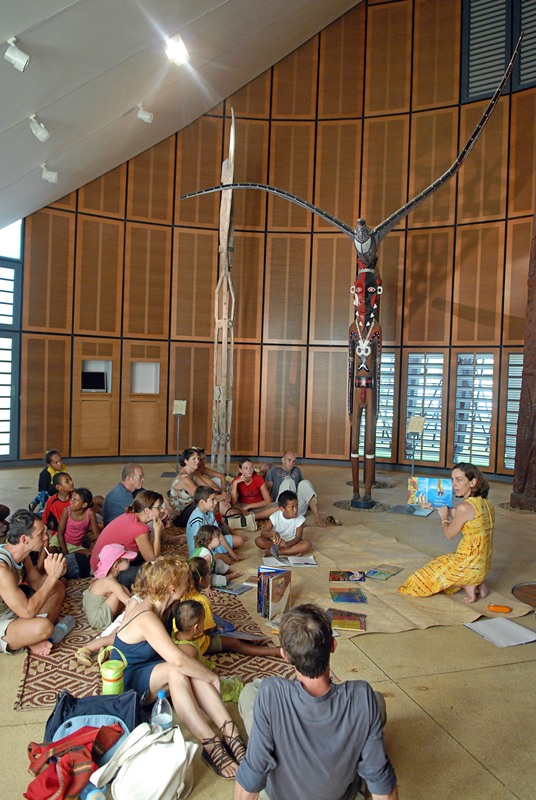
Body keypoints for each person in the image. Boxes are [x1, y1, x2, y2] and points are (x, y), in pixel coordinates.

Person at [234, 604, 398, 800]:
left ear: (285, 656)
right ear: (333, 646)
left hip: (279, 794)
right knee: (376, 701)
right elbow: (381, 785)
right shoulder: (362, 695)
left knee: (250, 692)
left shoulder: (270, 693)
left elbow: (253, 774)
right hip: (341, 793)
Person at [111, 555, 246, 779]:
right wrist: (212, 677)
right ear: (172, 587)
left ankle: (231, 734)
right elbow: (177, 661)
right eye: (185, 580)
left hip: (152, 668)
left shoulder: (166, 607)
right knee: (179, 669)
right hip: (131, 683)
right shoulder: (145, 613)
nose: (189, 583)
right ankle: (211, 745)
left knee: (188, 668)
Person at [399, 462, 494, 604]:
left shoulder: (464, 508)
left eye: (459, 480)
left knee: (416, 582)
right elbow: (465, 515)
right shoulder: (486, 503)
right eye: (452, 480)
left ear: (473, 482)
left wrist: (444, 518)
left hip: (467, 564)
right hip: (483, 565)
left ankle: (468, 581)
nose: (454, 484)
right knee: (440, 562)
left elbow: (449, 534)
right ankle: (479, 582)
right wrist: (438, 506)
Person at [184, 557, 282, 660]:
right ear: (202, 580)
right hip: (198, 643)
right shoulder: (202, 601)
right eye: (209, 574)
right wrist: (217, 629)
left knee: (215, 618)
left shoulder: (184, 594)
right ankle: (274, 651)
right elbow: (207, 631)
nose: (210, 576)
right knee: (235, 643)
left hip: (183, 639)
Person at [0, 509, 66, 657]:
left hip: (14, 610)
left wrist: (55, 573)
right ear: (24, 539)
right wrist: (52, 577)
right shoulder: (2, 569)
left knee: (58, 586)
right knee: (44, 628)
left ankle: (29, 638)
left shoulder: (22, 554)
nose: (45, 537)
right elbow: (27, 612)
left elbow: (36, 582)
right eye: (40, 534)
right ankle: (31, 639)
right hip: (3, 619)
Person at [90, 490, 164, 588]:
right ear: (146, 511)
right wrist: (157, 532)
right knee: (157, 572)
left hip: (98, 565)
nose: (162, 510)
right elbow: (153, 560)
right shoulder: (139, 528)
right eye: (158, 508)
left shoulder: (129, 516)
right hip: (107, 574)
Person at [265, 452, 326, 527]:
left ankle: (317, 516)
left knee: (305, 482)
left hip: (296, 508)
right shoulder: (273, 471)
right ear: (283, 460)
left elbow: (303, 489)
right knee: (288, 481)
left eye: (294, 461)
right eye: (289, 460)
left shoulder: (297, 470)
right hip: (281, 508)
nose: (292, 463)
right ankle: (294, 520)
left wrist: (310, 504)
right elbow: (267, 490)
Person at [186, 485, 244, 560]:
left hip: (212, 543)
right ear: (202, 502)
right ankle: (220, 555)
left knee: (239, 540)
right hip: (201, 552)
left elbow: (219, 534)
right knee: (226, 560)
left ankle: (222, 554)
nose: (216, 502)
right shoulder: (197, 519)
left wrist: (233, 555)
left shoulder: (210, 512)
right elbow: (198, 544)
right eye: (212, 500)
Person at [255, 490, 311, 557]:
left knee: (307, 544)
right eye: (291, 507)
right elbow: (263, 533)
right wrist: (272, 533)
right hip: (275, 543)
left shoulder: (300, 519)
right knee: (259, 540)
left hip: (291, 543)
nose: (295, 510)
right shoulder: (275, 516)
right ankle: (290, 552)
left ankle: (275, 552)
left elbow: (298, 538)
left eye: (296, 506)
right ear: (282, 509)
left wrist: (287, 544)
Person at [49, 488, 99, 557]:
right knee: (50, 553)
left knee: (90, 555)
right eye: (72, 498)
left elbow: (96, 534)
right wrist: (65, 552)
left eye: (75, 500)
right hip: (59, 541)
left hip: (75, 546)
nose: (71, 502)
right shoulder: (67, 511)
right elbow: (60, 533)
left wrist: (98, 547)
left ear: (84, 504)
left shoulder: (90, 514)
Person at [169, 447, 206, 527]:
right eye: (194, 459)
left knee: (211, 500)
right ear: (186, 461)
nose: (197, 461)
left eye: (198, 458)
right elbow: (199, 496)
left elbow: (207, 486)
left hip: (189, 509)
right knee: (202, 503)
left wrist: (220, 493)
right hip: (179, 517)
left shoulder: (192, 474)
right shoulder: (183, 478)